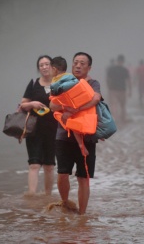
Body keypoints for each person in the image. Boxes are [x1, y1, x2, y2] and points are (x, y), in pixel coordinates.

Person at [50, 52, 102, 215]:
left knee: (83, 177)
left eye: (82, 63)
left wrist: (76, 108)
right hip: (63, 135)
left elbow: (95, 99)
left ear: (89, 67)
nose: (78, 66)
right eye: (76, 62)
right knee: (62, 173)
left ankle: (82, 215)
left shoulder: (93, 83)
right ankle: (65, 203)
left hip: (87, 135)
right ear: (72, 65)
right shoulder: (63, 81)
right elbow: (52, 106)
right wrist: (65, 106)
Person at [19, 55, 58, 196]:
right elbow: (22, 104)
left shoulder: (58, 83)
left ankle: (47, 196)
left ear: (52, 67)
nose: (44, 67)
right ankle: (31, 195)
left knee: (49, 166)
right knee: (34, 164)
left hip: (54, 129)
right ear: (38, 68)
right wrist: (32, 104)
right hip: (34, 129)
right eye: (41, 65)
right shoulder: (33, 83)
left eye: (47, 64)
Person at [50, 56, 91, 156]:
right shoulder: (69, 76)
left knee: (72, 124)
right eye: (76, 63)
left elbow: (54, 95)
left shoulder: (56, 81)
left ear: (54, 69)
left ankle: (81, 144)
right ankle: (82, 143)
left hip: (70, 104)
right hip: (75, 103)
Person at [106, 54, 131, 124]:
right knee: (122, 105)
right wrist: (130, 90)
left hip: (113, 89)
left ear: (117, 61)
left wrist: (109, 88)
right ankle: (122, 118)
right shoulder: (125, 70)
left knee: (114, 105)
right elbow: (128, 81)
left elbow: (108, 79)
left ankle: (116, 119)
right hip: (122, 89)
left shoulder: (111, 69)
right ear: (123, 61)